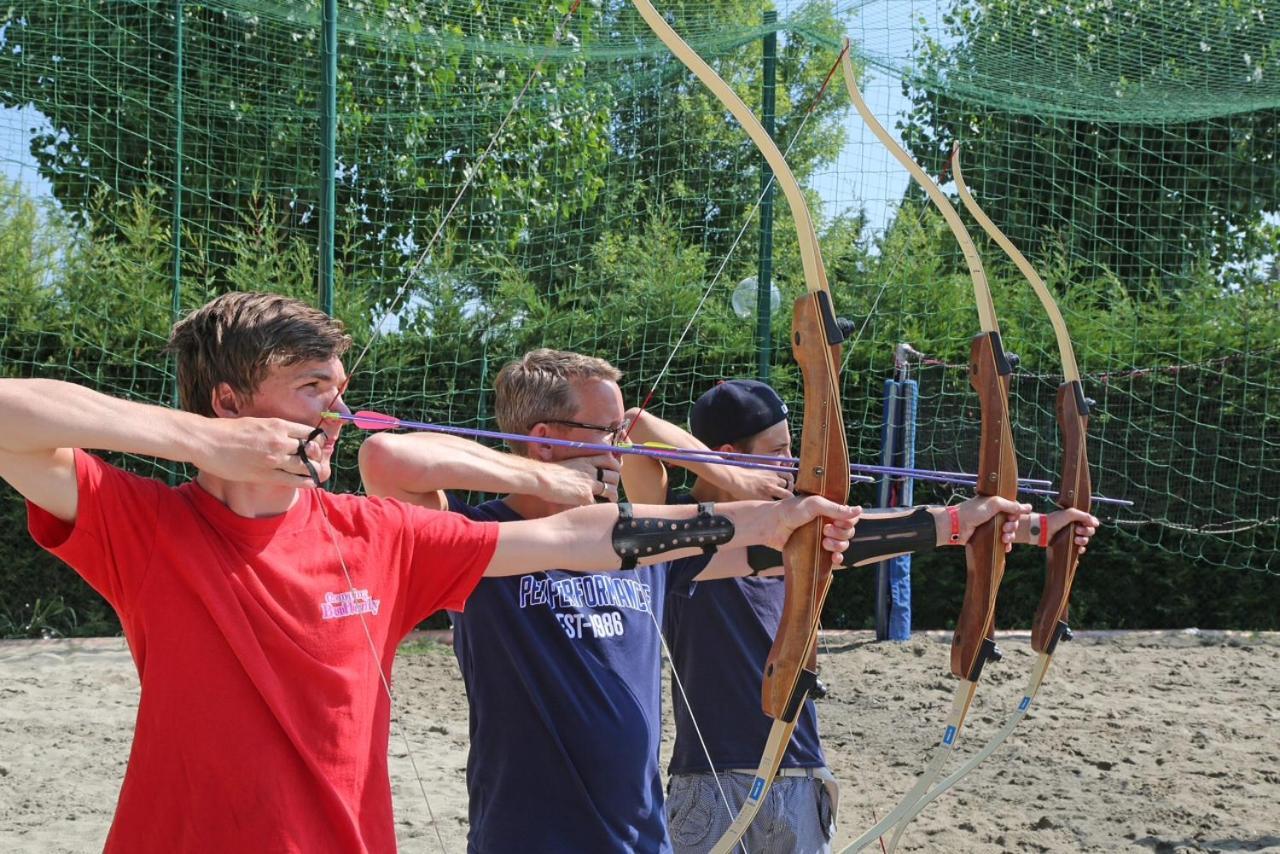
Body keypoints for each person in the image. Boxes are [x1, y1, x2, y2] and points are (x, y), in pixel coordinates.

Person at [0, 294, 862, 854]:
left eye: (340, 390)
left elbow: (579, 539)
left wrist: (768, 518)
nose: (336, 413)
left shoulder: (377, 534)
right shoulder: (148, 527)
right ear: (229, 403)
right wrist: (202, 443)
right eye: (311, 390)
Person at [357, 351, 1032, 853]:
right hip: (525, 836)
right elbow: (386, 459)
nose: (623, 452)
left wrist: (950, 525)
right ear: (545, 437)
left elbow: (810, 547)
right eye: (607, 433)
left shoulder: (647, 541)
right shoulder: (475, 540)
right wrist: (541, 476)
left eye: (625, 434)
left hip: (640, 837)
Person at [621, 379, 1100, 854]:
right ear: (732, 453)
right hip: (713, 779)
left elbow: (866, 532)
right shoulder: (674, 531)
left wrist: (1041, 529)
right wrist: (735, 477)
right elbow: (634, 427)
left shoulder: (797, 527)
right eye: (781, 450)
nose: (793, 465)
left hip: (801, 769)